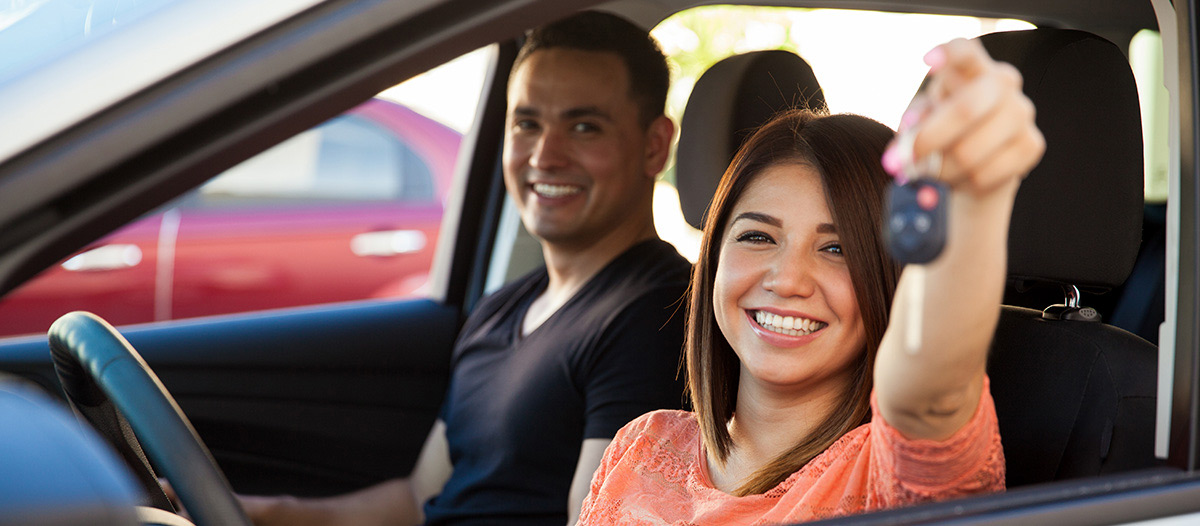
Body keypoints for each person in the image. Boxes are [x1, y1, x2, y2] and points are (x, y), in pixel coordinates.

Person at [238, 11, 688, 526]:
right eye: (527, 124)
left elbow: (596, 520)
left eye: (584, 127)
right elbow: (417, 500)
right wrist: (253, 511)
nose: (545, 155)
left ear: (655, 146)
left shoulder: (658, 316)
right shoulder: (503, 308)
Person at [577, 38, 1044, 524]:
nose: (787, 280)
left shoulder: (892, 474)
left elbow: (929, 387)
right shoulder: (643, 444)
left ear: (893, 280)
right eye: (757, 236)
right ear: (714, 255)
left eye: (836, 249)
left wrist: (973, 202)